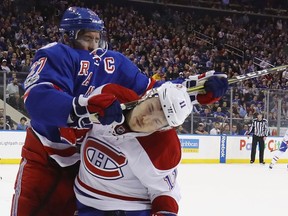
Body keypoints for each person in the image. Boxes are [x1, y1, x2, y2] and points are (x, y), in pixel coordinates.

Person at [11, 7, 228, 216]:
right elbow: (38, 99)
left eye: (97, 39)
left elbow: (153, 93)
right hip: (45, 156)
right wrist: (83, 107)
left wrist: (195, 90)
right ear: (69, 36)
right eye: (87, 38)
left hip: (82, 168)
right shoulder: (55, 55)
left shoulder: (113, 63)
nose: (93, 45)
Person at [75, 82, 191, 215]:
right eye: (150, 107)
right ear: (147, 96)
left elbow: (163, 190)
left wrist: (165, 211)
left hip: (130, 209)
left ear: (162, 129)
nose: (146, 119)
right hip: (85, 202)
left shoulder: (160, 148)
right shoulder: (109, 97)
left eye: (157, 122)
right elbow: (77, 123)